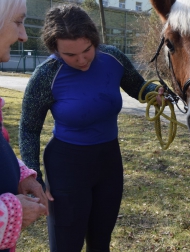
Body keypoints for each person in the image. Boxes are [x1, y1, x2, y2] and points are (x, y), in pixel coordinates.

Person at [18, 4, 163, 252]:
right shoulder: (45, 76)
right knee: (66, 244)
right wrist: (33, 176)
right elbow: (29, 129)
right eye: (70, 55)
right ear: (55, 49)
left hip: (108, 162)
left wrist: (155, 94)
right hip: (67, 166)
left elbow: (138, 88)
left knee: (100, 241)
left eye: (87, 50)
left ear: (94, 40)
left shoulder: (112, 57)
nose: (82, 60)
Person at [0, 1, 48, 251]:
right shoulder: (46, 74)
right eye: (18, 22)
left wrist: (19, 175)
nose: (23, 36)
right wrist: (9, 213)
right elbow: (29, 127)